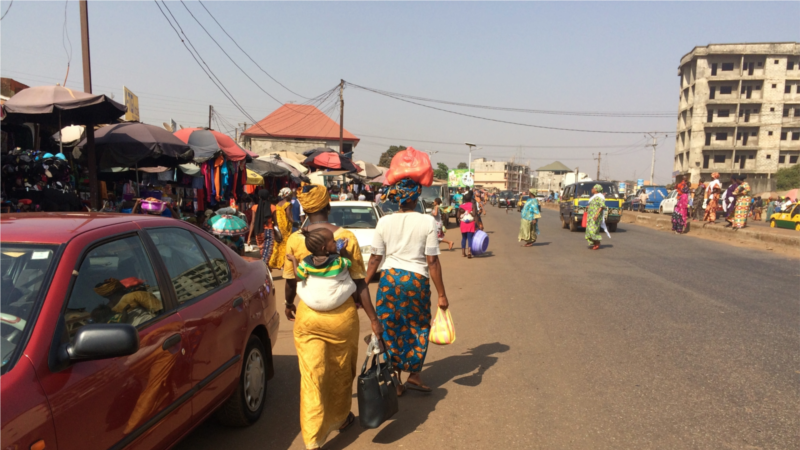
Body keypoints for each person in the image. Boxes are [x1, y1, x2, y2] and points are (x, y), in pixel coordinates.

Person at [283, 184, 383, 450]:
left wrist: (288, 303)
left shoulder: (295, 240)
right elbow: (360, 283)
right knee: (340, 372)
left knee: (311, 377)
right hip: (342, 319)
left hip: (308, 319)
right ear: (328, 206)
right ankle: (340, 419)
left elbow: (291, 281)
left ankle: (313, 440)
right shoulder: (346, 238)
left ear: (304, 209)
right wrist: (373, 319)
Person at [365, 178, 449, 395]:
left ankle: (395, 379)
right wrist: (442, 294)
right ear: (416, 197)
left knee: (391, 327)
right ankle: (414, 374)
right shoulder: (426, 222)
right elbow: (432, 261)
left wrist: (362, 286)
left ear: (397, 199)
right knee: (418, 327)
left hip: (389, 281)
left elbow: (375, 258)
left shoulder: (384, 222)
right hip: (416, 282)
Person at [285, 228, 356, 311]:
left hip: (313, 303)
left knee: (301, 283)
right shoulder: (337, 261)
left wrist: (294, 260)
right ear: (323, 248)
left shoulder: (306, 263)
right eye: (333, 241)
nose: (336, 242)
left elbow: (298, 278)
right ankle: (356, 301)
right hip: (335, 301)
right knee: (350, 282)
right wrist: (343, 249)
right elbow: (348, 262)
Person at [269, 188, 294, 270]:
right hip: (285, 227)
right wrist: (295, 222)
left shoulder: (278, 204)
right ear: (287, 195)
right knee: (285, 246)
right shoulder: (287, 204)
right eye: (290, 194)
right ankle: (283, 264)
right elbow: (289, 216)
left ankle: (274, 262)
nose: (291, 196)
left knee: (278, 245)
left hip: (278, 227)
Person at [249, 189, 276, 265]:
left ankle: (266, 270)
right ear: (268, 197)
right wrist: (278, 233)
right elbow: (276, 223)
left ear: (259, 197)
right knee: (266, 255)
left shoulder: (254, 207)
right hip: (269, 232)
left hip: (258, 232)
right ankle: (262, 270)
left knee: (263, 252)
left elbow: (253, 222)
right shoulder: (273, 207)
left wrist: (249, 237)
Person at [585, 184, 606, 250]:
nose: (591, 189)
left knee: (593, 230)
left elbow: (601, 206)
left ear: (596, 189)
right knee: (589, 230)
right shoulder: (594, 197)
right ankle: (595, 243)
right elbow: (594, 205)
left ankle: (597, 242)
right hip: (590, 216)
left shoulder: (600, 197)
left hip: (596, 216)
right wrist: (589, 207)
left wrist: (596, 214)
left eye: (592, 188)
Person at [458, 191, 477, 258]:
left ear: (465, 199)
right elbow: (474, 214)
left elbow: (458, 216)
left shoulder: (461, 206)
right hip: (471, 224)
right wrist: (470, 212)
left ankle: (463, 253)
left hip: (463, 224)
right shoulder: (472, 205)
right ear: (470, 199)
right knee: (470, 238)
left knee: (463, 238)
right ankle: (469, 252)